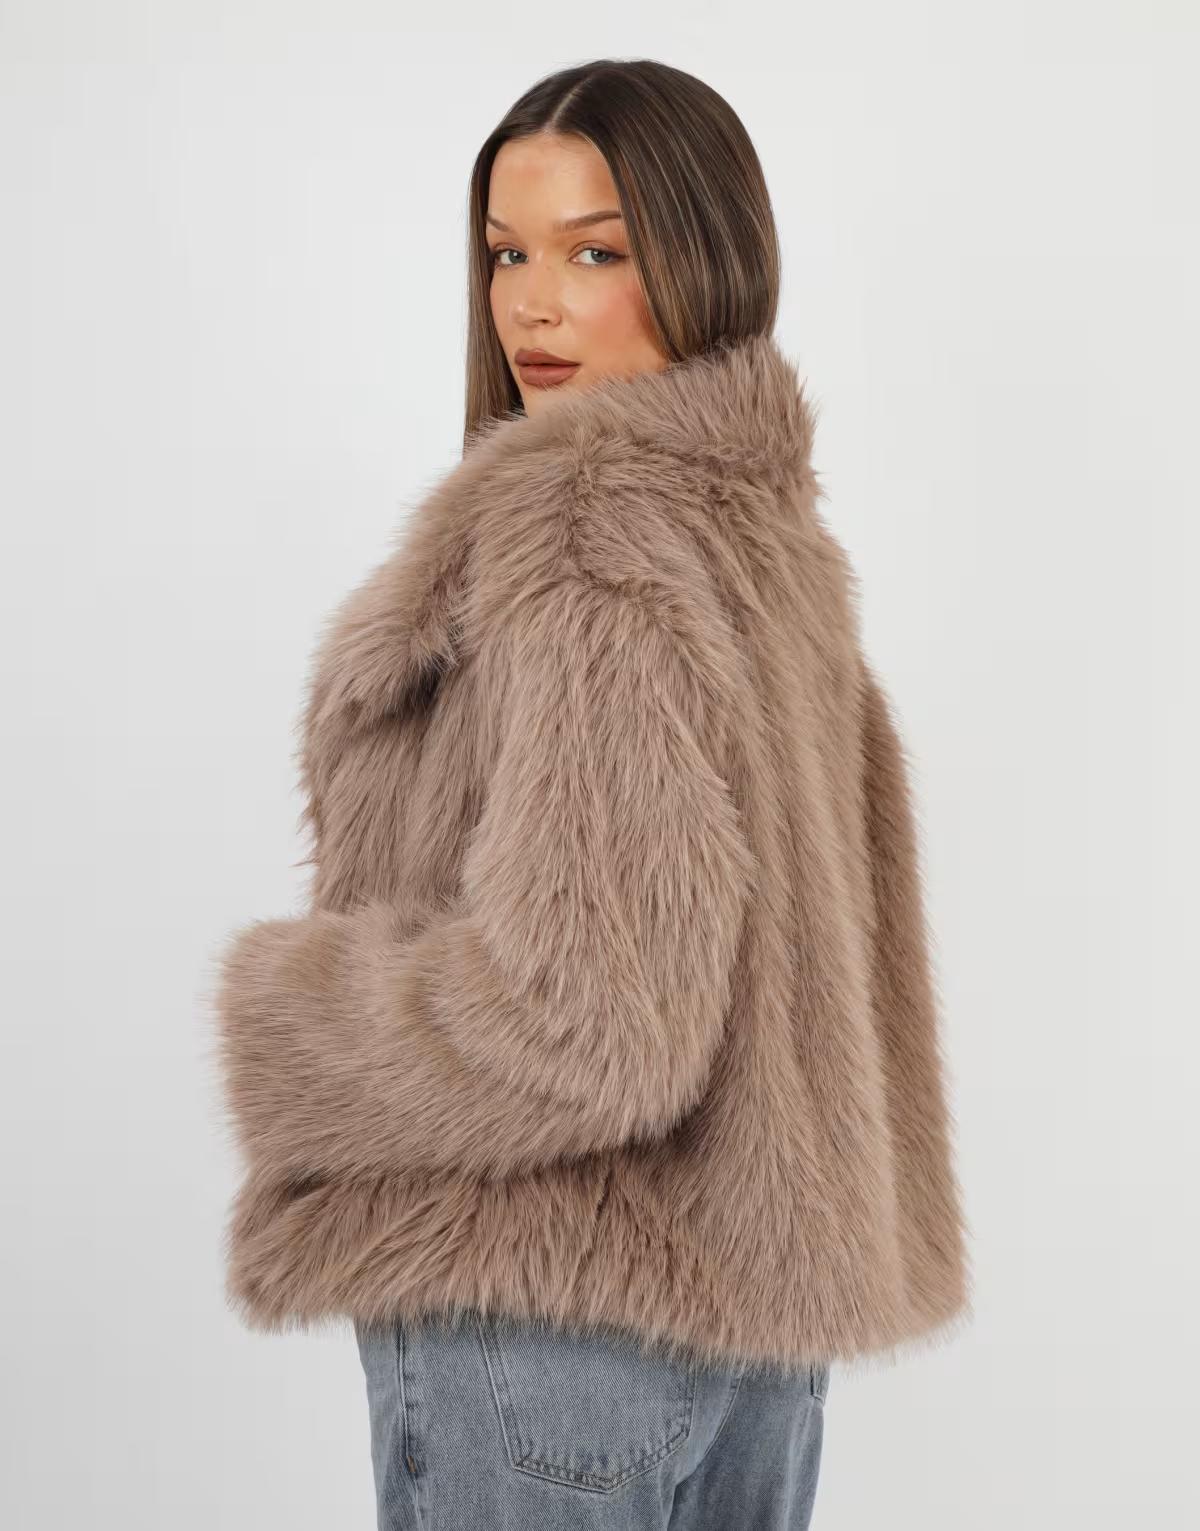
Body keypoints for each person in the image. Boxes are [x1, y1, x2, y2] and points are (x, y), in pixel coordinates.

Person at [210, 57, 972, 1530]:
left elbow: (587, 1022)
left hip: (546, 1317)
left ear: (705, 258)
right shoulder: (769, 541)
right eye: (507, 254)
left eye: (595, 253)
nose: (535, 307)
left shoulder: (584, 531)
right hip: (755, 1338)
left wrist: (291, 1023)